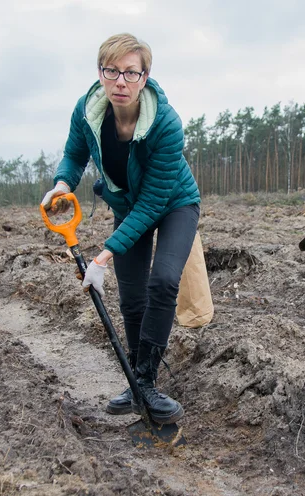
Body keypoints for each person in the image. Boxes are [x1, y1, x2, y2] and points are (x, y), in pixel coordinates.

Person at [41, 33, 200, 424]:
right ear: (101, 73)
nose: (120, 82)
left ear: (145, 77)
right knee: (130, 296)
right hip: (127, 204)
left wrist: (103, 255)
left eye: (131, 72)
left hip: (173, 202)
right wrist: (63, 183)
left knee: (162, 280)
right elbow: (74, 153)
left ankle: (146, 379)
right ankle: (137, 383)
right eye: (111, 71)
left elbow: (152, 203)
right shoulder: (87, 110)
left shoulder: (166, 123)